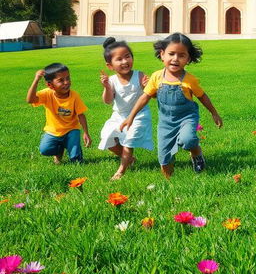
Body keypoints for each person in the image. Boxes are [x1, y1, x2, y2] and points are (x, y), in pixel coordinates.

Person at [120, 33, 222, 179]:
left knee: (187, 140)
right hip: (166, 122)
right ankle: (170, 181)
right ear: (162, 55)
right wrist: (131, 117)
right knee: (164, 158)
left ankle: (196, 153)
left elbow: (202, 96)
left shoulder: (189, 80)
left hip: (187, 118)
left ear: (188, 59)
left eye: (181, 55)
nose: (175, 59)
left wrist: (214, 113)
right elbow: (145, 97)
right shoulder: (156, 77)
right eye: (171, 54)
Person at [98, 37, 154, 180]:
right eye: (119, 59)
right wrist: (106, 87)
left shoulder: (139, 75)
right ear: (110, 65)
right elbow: (108, 101)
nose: (125, 62)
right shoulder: (112, 80)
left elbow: (152, 96)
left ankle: (121, 170)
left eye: (127, 57)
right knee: (107, 138)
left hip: (139, 115)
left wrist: (147, 86)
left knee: (129, 140)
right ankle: (129, 159)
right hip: (119, 115)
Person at [26, 63, 92, 164]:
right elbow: (30, 100)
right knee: (45, 150)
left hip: (71, 130)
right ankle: (59, 150)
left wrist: (86, 133)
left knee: (76, 160)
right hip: (53, 131)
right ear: (50, 85)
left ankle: (74, 153)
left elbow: (81, 115)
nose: (66, 82)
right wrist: (36, 80)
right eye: (61, 80)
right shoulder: (47, 93)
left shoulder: (74, 96)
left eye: (68, 78)